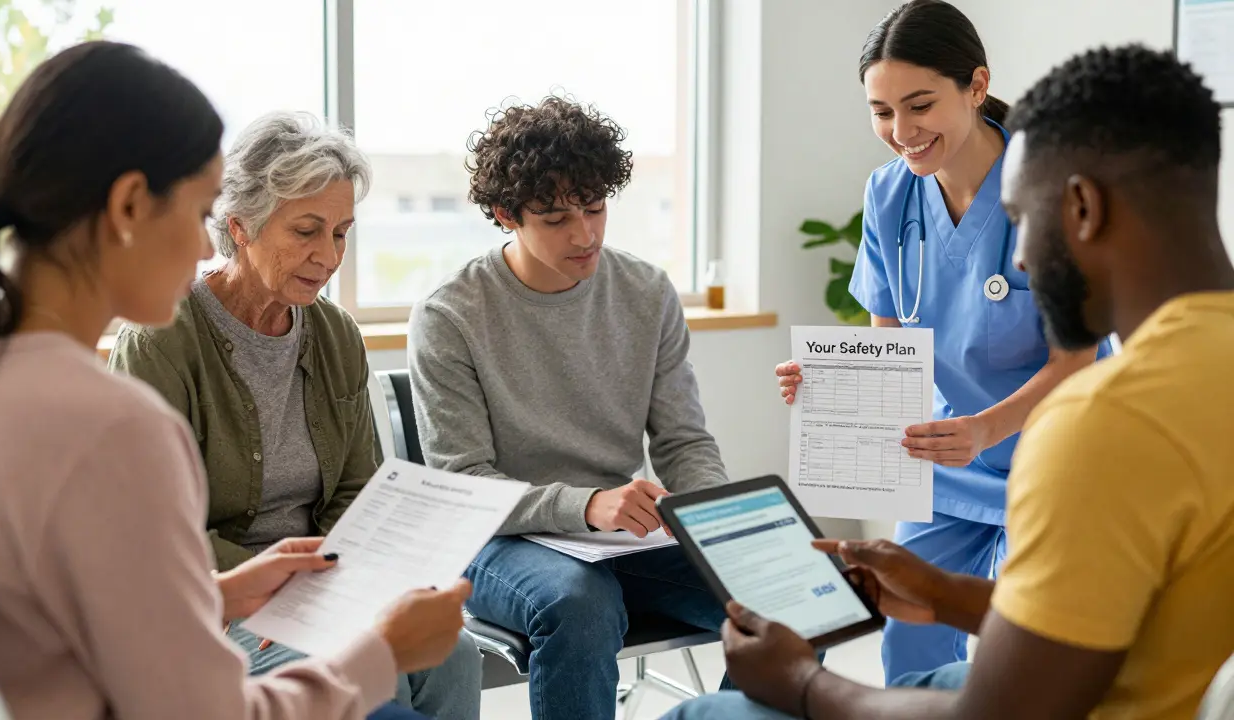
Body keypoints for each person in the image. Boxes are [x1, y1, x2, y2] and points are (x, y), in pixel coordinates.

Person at [666, 42, 1234, 720]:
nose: (1018, 252)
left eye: (1022, 219)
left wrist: (803, 682)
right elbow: (1114, 624)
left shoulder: (1102, 424)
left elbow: (996, 712)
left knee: (700, 715)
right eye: (883, 110)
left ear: (1081, 208)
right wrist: (944, 592)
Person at [0, 41, 470, 720]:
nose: (205, 247)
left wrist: (225, 592)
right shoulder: (113, 426)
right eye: (200, 214)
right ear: (131, 205)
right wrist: (384, 653)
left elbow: (90, 606)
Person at [772, 0, 1112, 684]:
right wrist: (834, 384)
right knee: (907, 644)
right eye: (881, 111)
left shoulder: (1052, 189)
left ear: (976, 87)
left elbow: (1075, 359)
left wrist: (986, 428)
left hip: (1055, 453)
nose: (901, 131)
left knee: (1023, 655)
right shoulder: (888, 194)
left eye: (919, 104)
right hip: (951, 459)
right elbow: (889, 346)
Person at [106, 111, 482, 720]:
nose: (329, 256)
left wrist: (340, 578)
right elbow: (152, 531)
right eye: (306, 231)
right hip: (221, 599)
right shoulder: (160, 342)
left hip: (324, 587)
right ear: (240, 227)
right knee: (381, 702)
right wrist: (276, 581)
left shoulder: (336, 334)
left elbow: (360, 488)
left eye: (341, 232)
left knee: (454, 655)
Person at [406, 95, 731, 720]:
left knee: (791, 588)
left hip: (621, 536)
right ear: (507, 214)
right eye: (555, 218)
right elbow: (463, 484)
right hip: (502, 538)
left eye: (594, 208)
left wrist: (718, 518)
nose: (584, 234)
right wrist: (585, 506)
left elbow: (684, 442)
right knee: (579, 604)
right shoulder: (450, 315)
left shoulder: (645, 291)